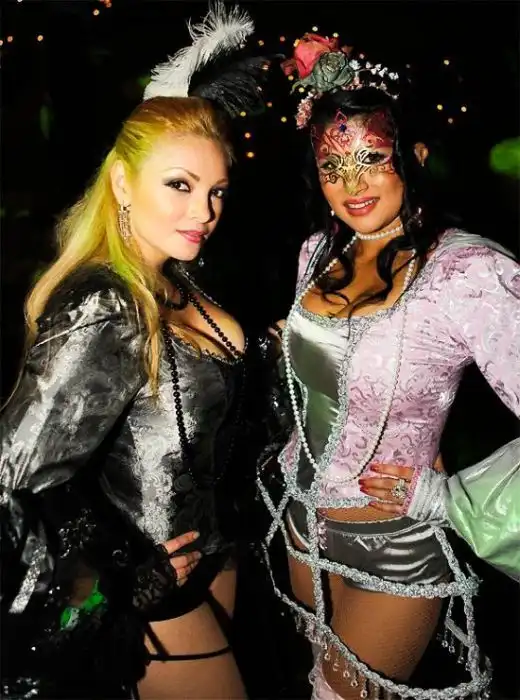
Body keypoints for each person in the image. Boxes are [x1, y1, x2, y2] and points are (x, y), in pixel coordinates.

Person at [0, 4, 270, 698]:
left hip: (218, 558)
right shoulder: (106, 303)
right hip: (156, 591)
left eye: (216, 191)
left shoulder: (176, 281)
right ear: (123, 182)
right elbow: (15, 471)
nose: (204, 212)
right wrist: (118, 568)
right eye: (179, 185)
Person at [258, 32, 520, 700]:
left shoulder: (468, 271)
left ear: (415, 156)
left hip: (395, 545)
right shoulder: (317, 252)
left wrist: (455, 499)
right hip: (299, 525)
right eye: (332, 165)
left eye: (372, 157)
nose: (352, 185)